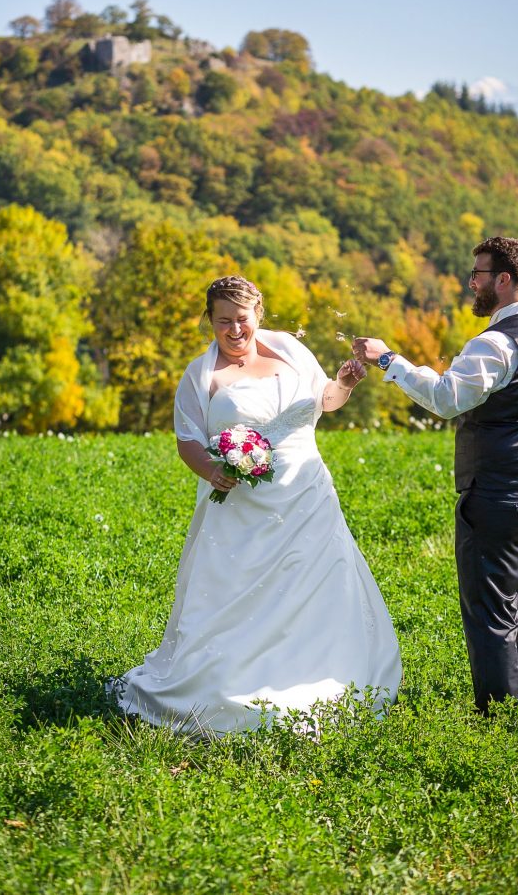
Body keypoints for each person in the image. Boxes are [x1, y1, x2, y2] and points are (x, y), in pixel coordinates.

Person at [109, 275, 401, 734]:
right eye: (222, 321)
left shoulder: (289, 350)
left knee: (318, 584)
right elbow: (187, 441)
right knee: (234, 597)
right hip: (239, 508)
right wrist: (212, 472)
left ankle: (319, 669)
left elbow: (323, 401)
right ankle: (225, 681)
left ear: (258, 314)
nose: (233, 330)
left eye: (241, 319)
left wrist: (344, 383)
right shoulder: (200, 375)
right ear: (209, 320)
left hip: (306, 496)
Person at [353, 236, 518, 714]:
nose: (471, 283)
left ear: (503, 280)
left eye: (478, 274)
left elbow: (445, 398)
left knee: (492, 612)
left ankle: (500, 722)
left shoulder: (495, 343)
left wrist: (387, 360)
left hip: (503, 492)